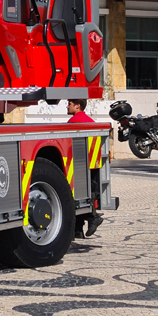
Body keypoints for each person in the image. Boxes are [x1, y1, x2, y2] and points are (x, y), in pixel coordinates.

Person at [67, 98, 103, 236]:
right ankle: (78, 230)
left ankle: (92, 218)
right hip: (91, 163)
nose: (67, 106)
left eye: (69, 104)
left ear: (77, 106)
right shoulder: (90, 121)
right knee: (87, 193)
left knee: (76, 196)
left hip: (78, 163)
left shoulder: (73, 121)